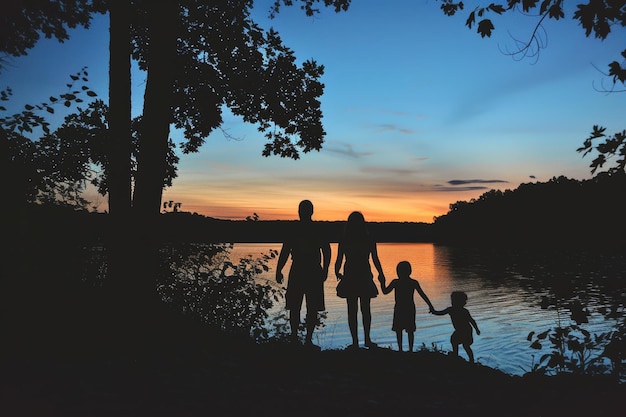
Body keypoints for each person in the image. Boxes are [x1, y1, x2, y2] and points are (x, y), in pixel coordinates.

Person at [275, 200, 331, 348]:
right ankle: (298, 339)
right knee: (297, 306)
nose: (302, 213)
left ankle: (305, 340)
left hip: (308, 270)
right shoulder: (299, 229)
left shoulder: (311, 229)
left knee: (307, 307)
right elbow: (286, 250)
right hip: (302, 269)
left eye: (303, 210)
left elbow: (326, 249)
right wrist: (278, 269)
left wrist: (325, 269)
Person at [334, 211, 384, 349]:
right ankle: (365, 340)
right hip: (361, 273)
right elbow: (375, 258)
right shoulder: (367, 238)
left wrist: (336, 271)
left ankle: (356, 342)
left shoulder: (346, 238)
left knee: (353, 310)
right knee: (364, 309)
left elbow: (339, 258)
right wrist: (381, 273)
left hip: (353, 273)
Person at [379, 260, 435, 352]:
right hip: (408, 308)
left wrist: (382, 282)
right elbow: (423, 295)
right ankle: (409, 350)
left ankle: (402, 349)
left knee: (401, 330)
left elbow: (385, 291)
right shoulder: (412, 282)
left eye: (399, 271)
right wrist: (430, 306)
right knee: (408, 330)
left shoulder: (396, 282)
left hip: (401, 308)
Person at [431, 291, 481, 362]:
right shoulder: (451, 310)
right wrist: (434, 312)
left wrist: (477, 329)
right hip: (462, 330)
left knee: (464, 345)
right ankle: (456, 355)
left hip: (466, 330)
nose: (452, 302)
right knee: (455, 341)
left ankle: (469, 359)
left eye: (453, 300)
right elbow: (440, 313)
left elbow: (471, 321)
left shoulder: (463, 311)